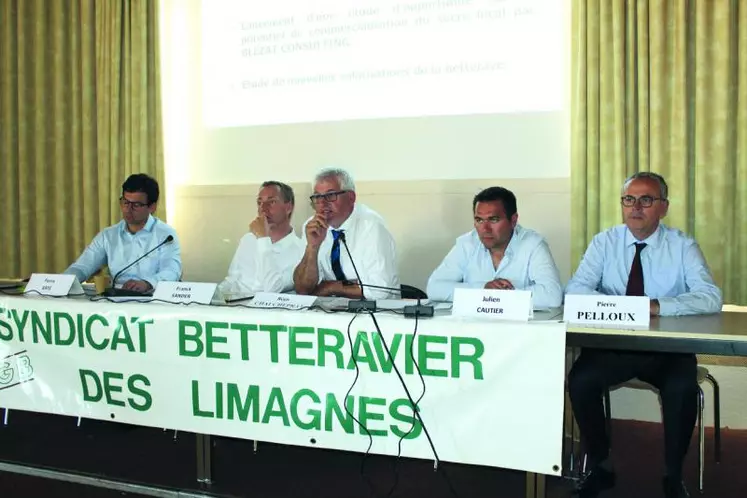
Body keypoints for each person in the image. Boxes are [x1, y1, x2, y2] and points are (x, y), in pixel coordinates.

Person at [565, 172, 722, 498]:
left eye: (646, 200)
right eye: (628, 200)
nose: (635, 208)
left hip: (666, 350)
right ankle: (601, 465)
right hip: (614, 347)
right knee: (581, 381)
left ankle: (672, 475)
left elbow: (709, 297)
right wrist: (620, 306)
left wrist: (657, 306)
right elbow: (576, 291)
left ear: (663, 207)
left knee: (682, 388)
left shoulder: (682, 245)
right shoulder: (604, 242)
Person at [426, 186, 563, 308]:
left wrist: (502, 297)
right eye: (479, 220)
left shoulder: (533, 244)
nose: (485, 228)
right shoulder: (467, 243)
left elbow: (552, 296)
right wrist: (483, 290)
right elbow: (434, 288)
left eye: (493, 220)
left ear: (513, 220)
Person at [293, 167, 399, 300]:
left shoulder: (371, 225)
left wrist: (331, 287)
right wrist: (312, 248)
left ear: (351, 197)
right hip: (328, 313)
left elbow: (378, 290)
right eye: (318, 197)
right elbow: (303, 289)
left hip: (377, 314)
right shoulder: (312, 227)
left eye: (330, 195)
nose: (323, 203)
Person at [64, 173, 181, 293]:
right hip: (115, 300)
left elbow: (172, 271)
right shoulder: (108, 235)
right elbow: (83, 266)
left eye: (136, 205)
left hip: (152, 300)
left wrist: (147, 283)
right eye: (125, 202)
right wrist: (62, 282)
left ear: (152, 207)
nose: (128, 209)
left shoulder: (166, 235)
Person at [218, 181, 304, 296]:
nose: (263, 209)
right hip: (236, 310)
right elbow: (232, 280)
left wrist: (263, 239)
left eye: (271, 202)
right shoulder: (248, 240)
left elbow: (272, 289)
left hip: (269, 312)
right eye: (259, 203)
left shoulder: (301, 250)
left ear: (288, 208)